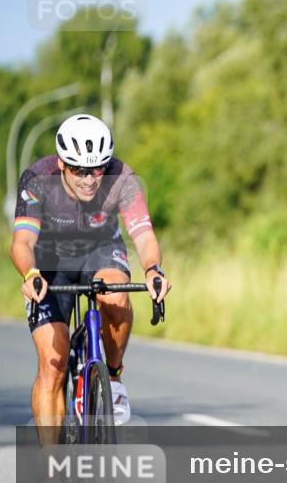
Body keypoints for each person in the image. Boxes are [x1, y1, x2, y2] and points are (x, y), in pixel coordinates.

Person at [10, 114, 171, 443]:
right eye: (79, 169)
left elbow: (143, 235)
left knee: (116, 297)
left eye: (97, 168)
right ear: (61, 164)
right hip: (49, 259)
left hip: (100, 250)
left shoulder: (122, 177)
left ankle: (111, 379)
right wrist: (31, 274)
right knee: (52, 367)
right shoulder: (38, 179)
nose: (89, 179)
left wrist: (153, 269)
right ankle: (51, 471)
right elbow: (22, 242)